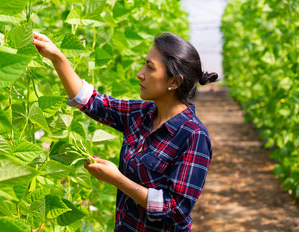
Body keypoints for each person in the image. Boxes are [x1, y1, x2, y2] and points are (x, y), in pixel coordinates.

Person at [32, 31, 218, 232]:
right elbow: (91, 102)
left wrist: (117, 180)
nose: (140, 73)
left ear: (175, 82)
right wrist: (57, 58)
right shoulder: (142, 114)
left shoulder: (193, 136)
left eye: (150, 67)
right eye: (144, 63)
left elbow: (175, 209)